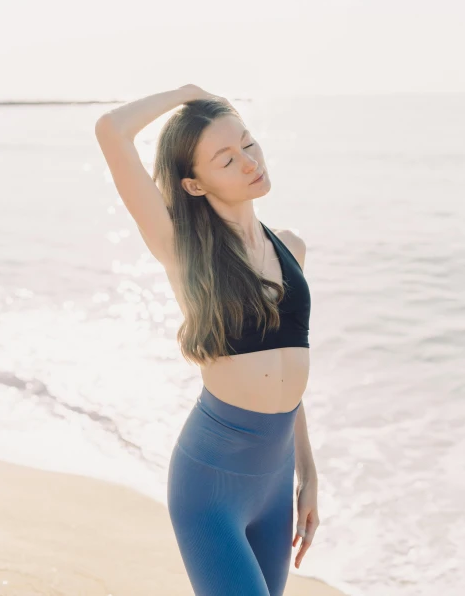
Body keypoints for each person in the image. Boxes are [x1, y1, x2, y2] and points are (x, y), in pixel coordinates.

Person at [94, 84, 320, 595]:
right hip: (211, 486)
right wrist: (184, 94)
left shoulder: (291, 250)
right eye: (225, 159)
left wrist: (307, 472)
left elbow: (290, 377)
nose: (248, 162)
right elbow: (111, 130)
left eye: (248, 143)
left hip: (276, 477)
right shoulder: (183, 253)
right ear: (194, 185)